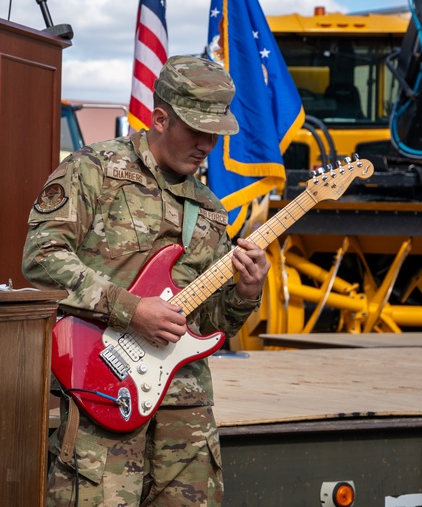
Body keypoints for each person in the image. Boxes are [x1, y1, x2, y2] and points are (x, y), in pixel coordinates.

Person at [22, 55, 270, 506]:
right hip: (103, 393)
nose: (207, 145)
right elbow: (41, 257)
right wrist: (130, 309)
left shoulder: (211, 209)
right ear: (159, 119)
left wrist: (244, 294)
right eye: (196, 130)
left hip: (186, 417)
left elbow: (209, 324)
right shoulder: (95, 170)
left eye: (215, 134)